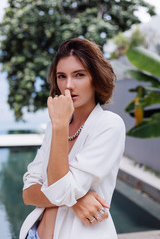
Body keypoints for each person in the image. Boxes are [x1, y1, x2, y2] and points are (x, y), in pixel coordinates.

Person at [19, 38, 125, 239]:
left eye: (79, 75)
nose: (68, 85)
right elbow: (28, 193)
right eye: (61, 76)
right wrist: (77, 200)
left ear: (95, 77)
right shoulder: (56, 125)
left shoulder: (109, 124)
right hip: (34, 234)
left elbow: (59, 192)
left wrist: (59, 126)